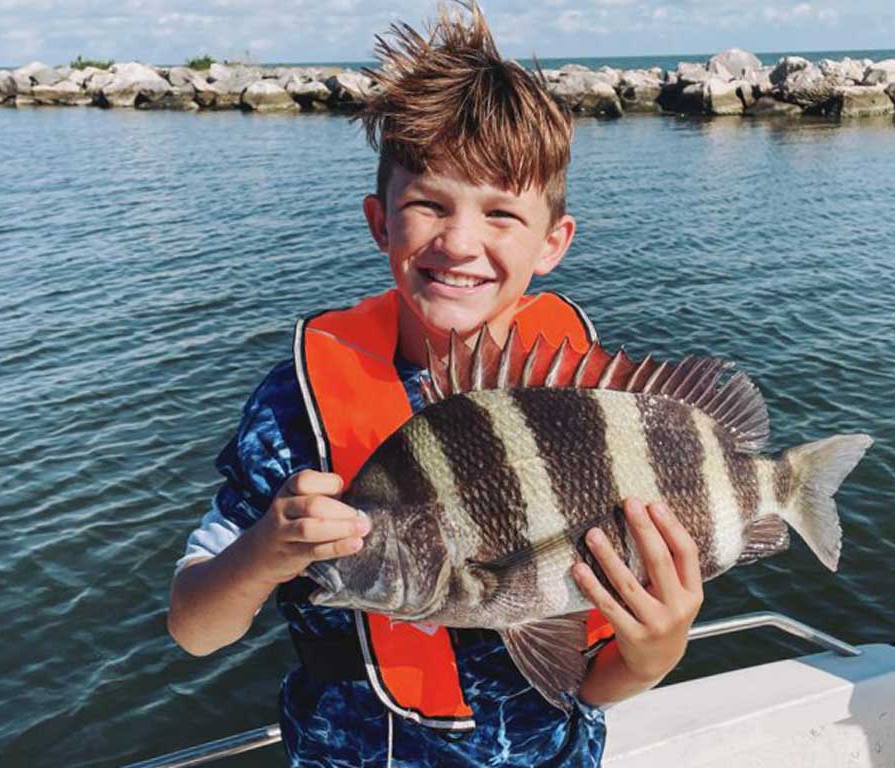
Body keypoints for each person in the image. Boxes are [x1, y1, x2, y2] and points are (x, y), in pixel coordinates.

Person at [167, 4, 704, 766]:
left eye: (500, 213)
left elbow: (588, 681)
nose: (459, 243)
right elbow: (194, 629)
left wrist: (657, 650)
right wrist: (262, 551)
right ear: (380, 221)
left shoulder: (586, 405)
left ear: (554, 243)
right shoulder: (295, 413)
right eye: (428, 203)